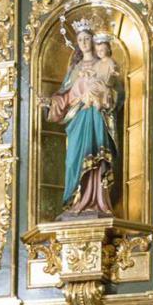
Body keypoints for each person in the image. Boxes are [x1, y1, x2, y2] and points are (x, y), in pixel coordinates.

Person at [45, 21, 122, 218]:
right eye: (80, 39)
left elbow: (116, 92)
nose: (84, 42)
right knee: (74, 161)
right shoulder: (75, 68)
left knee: (97, 155)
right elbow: (65, 95)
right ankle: (76, 200)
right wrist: (50, 102)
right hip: (78, 117)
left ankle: (98, 201)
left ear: (94, 41)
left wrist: (106, 94)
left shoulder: (104, 64)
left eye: (87, 38)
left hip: (96, 116)